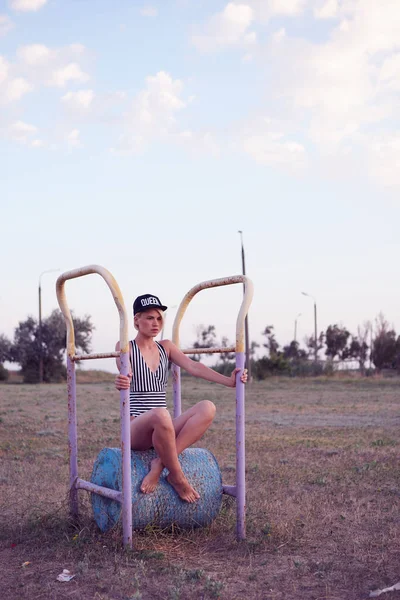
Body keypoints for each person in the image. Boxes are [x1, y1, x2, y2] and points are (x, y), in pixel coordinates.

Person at [115, 293, 248, 504]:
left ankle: (160, 464)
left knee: (207, 407)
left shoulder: (166, 347)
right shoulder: (126, 348)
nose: (155, 323)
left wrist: (229, 381)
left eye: (159, 318)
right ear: (136, 321)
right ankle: (177, 476)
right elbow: (126, 371)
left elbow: (194, 366)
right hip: (136, 430)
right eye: (149, 318)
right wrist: (124, 379)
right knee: (160, 413)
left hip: (163, 426)